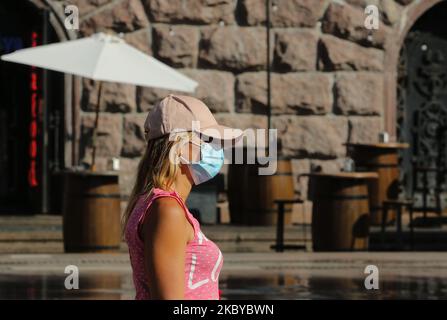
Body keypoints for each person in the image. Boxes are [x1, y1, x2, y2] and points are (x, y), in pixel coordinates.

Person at [122, 94, 242, 300]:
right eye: (208, 140)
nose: (217, 149)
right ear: (180, 146)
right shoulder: (168, 210)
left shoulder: (156, 203)